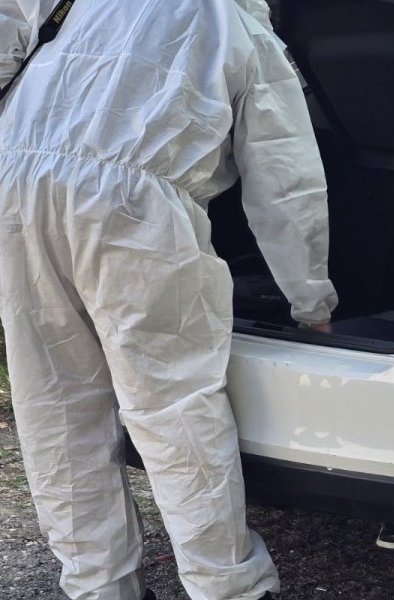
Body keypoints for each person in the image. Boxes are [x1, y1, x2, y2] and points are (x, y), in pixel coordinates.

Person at [0, 0, 338, 598]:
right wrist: (311, 301)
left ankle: (100, 586)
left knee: (55, 406)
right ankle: (227, 587)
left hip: (13, 186)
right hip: (133, 211)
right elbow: (286, 183)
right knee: (173, 410)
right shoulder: (235, 23)